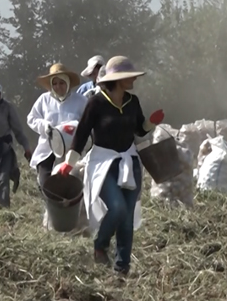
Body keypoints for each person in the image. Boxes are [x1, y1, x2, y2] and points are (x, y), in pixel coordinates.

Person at [55, 56, 165, 275]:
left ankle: (122, 268)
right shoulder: (96, 102)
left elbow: (140, 131)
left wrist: (151, 122)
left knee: (127, 216)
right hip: (104, 163)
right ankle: (101, 244)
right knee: (117, 208)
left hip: (129, 161)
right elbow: (82, 132)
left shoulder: (132, 102)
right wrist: (70, 162)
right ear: (117, 79)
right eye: (128, 76)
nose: (133, 79)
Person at [27, 63, 89, 188]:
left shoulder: (81, 101)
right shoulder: (44, 99)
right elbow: (31, 118)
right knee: (46, 184)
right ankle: (50, 205)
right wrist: (44, 126)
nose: (58, 86)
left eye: (61, 83)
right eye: (54, 83)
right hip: (48, 149)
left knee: (73, 184)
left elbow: (89, 123)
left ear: (68, 83)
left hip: (72, 150)